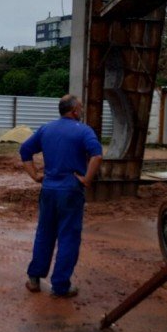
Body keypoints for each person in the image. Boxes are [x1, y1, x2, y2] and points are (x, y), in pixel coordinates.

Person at [19, 94, 102, 297]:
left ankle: (34, 279)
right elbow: (97, 156)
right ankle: (60, 286)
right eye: (80, 108)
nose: (81, 111)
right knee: (68, 237)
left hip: (48, 190)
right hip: (71, 191)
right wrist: (87, 180)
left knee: (44, 234)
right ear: (74, 111)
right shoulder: (83, 131)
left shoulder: (46, 129)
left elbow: (24, 150)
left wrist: (34, 175)